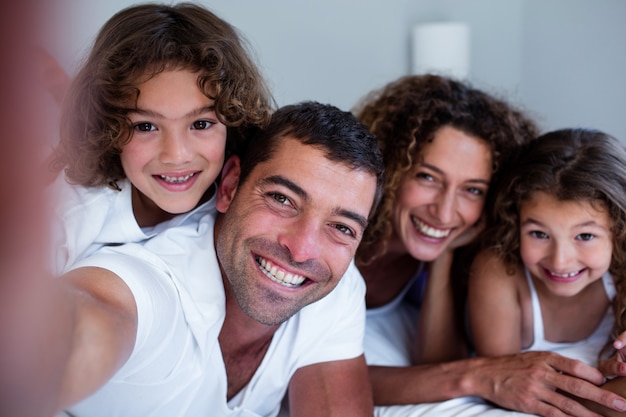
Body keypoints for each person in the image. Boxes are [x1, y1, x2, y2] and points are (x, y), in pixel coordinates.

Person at [41, 101, 384, 417]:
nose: (302, 250)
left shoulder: (334, 283)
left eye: (341, 227)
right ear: (230, 185)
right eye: (282, 199)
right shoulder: (153, 281)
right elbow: (85, 322)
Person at [351, 75, 626, 416]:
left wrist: (444, 258)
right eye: (427, 177)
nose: (445, 211)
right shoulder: (337, 243)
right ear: (391, 168)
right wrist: (478, 376)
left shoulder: (457, 247)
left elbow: (438, 359)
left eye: (473, 189)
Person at [48, 3, 274, 274]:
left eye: (201, 124)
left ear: (234, 121)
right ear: (107, 127)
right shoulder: (65, 214)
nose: (176, 154)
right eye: (145, 127)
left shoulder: (247, 203)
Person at [469, 128, 626, 415]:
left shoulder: (620, 275)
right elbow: (504, 383)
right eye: (539, 234)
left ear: (618, 232)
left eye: (585, 236)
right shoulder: (500, 270)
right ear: (516, 223)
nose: (561, 261)